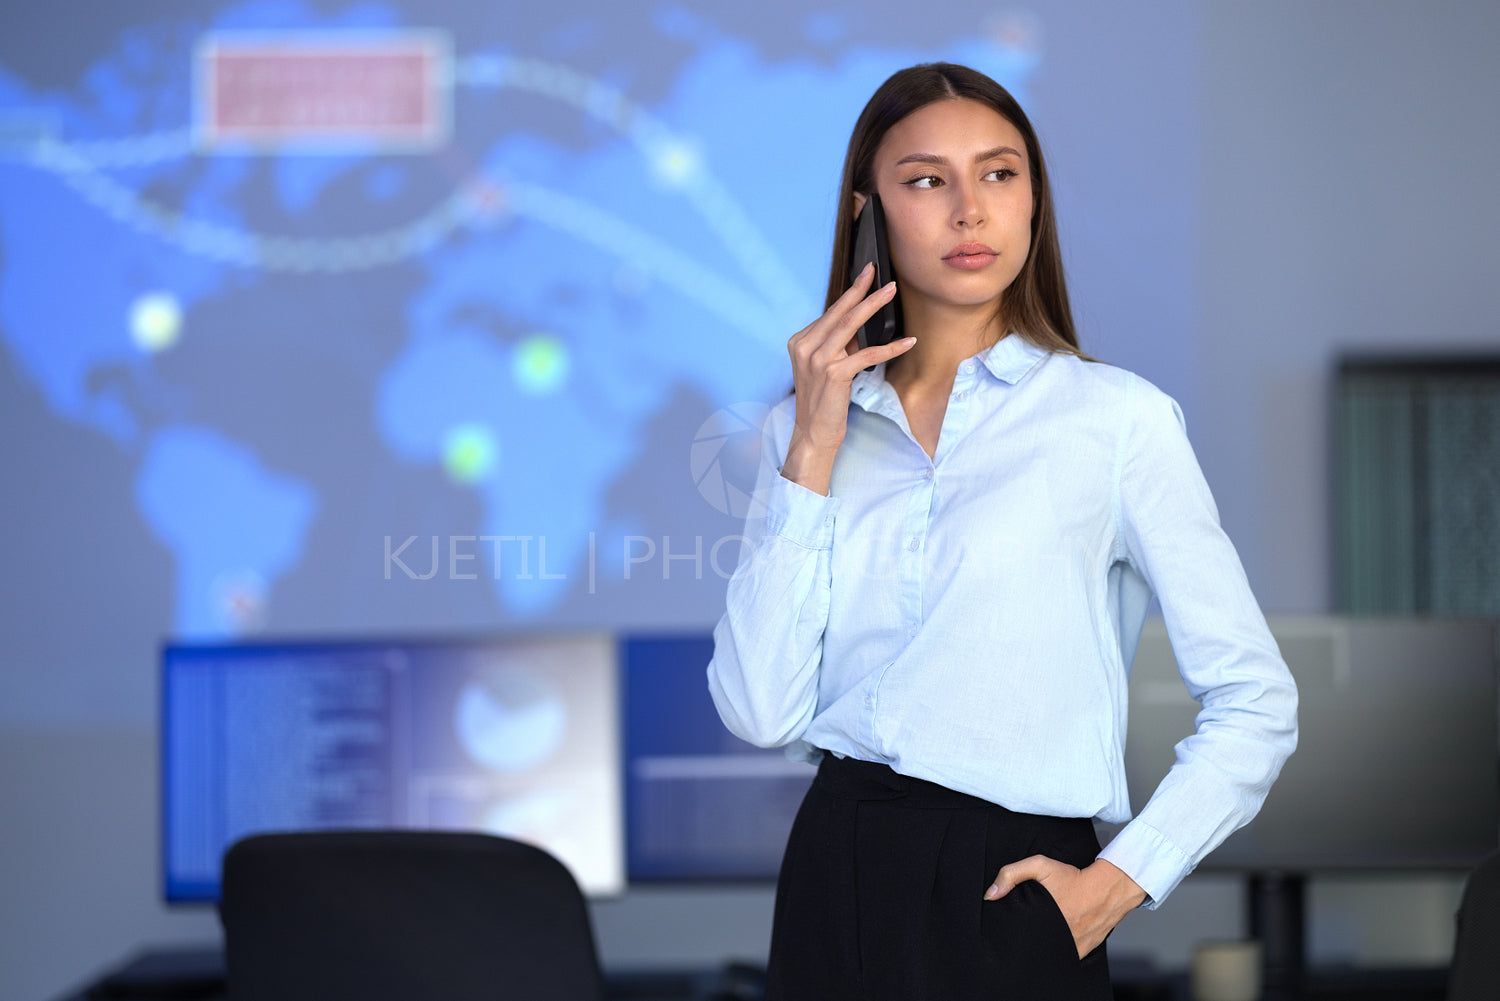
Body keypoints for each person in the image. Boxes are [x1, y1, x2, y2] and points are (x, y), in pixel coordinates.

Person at [705, 62, 1298, 1001]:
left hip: (1016, 884)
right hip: (838, 868)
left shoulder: (1115, 420)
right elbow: (758, 710)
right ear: (871, 211)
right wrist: (814, 442)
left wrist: (1117, 883)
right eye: (928, 180)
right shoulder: (802, 431)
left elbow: (1256, 703)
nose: (970, 211)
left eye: (999, 173)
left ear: (1034, 200)